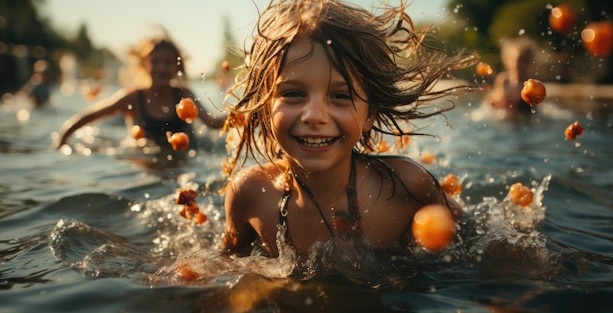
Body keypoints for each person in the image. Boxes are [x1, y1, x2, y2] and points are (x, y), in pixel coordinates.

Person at [219, 0, 477, 259]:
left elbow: (475, 242)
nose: (315, 116)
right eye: (293, 93)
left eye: (341, 96)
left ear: (370, 114)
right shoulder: (250, 194)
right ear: (265, 109)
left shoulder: (406, 186)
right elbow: (225, 267)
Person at [54, 34, 224, 152]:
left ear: (177, 66)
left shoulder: (184, 95)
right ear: (145, 65)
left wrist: (244, 114)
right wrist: (62, 139)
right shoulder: (133, 98)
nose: (161, 68)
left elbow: (212, 122)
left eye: (168, 62)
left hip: (183, 159)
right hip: (144, 161)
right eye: (155, 62)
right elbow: (91, 115)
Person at [482, 37, 536, 117]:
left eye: (524, 60)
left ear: (529, 62)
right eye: (517, 60)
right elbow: (496, 98)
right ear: (508, 60)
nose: (519, 64)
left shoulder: (530, 84)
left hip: (523, 117)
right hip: (506, 116)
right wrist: (490, 101)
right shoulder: (504, 80)